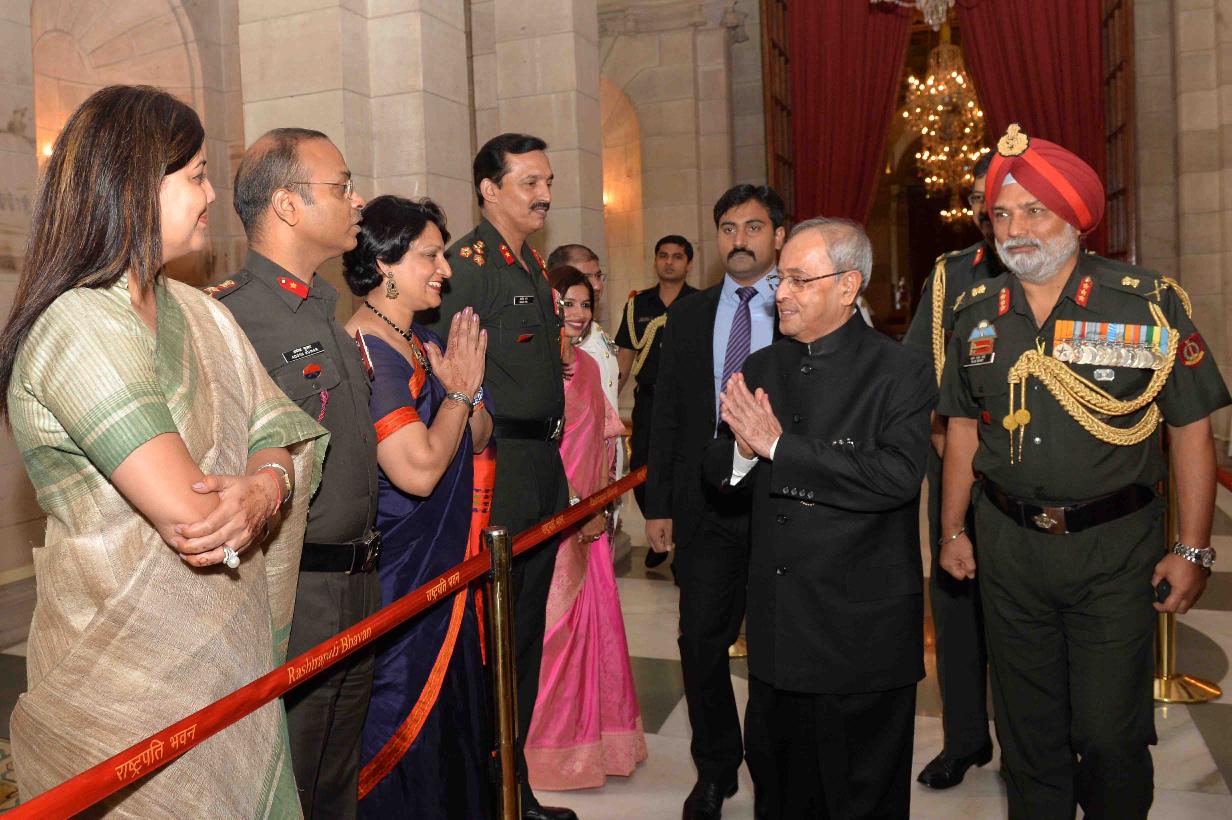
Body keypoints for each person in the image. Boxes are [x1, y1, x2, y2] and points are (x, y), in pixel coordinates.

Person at [0, 85, 326, 816]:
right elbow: (195, 518)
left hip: (225, 659)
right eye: (197, 176)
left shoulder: (201, 312)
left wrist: (266, 484)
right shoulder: (79, 325)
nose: (211, 196)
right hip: (123, 675)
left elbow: (279, 428)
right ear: (135, 183)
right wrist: (259, 483)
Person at [938, 124, 1231, 818]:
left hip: (1114, 550)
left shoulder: (1145, 303)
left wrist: (1192, 548)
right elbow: (961, 430)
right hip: (1008, 549)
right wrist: (951, 530)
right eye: (1001, 214)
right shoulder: (975, 316)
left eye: (1034, 210)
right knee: (1027, 736)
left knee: (1108, 734)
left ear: (1075, 216)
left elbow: (1190, 427)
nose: (1015, 229)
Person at [706, 216, 935, 818]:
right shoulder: (762, 366)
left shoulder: (901, 370)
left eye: (799, 280)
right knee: (781, 792)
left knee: (859, 798)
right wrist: (743, 451)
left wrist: (780, 448)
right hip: (780, 629)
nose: (780, 293)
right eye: (781, 279)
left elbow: (895, 476)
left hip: (859, 634)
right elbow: (718, 471)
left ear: (848, 285)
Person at [215, 127, 379, 820]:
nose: (357, 200)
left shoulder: (323, 311)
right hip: (292, 593)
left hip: (359, 581)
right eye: (341, 187)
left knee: (336, 776)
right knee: (289, 782)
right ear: (287, 204)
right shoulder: (230, 319)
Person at [417, 132, 575, 820]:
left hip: (540, 465)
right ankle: (491, 786)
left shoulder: (530, 262)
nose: (544, 195)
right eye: (529, 182)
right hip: (499, 468)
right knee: (494, 637)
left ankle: (512, 778)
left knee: (524, 634)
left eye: (548, 182)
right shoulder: (468, 266)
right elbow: (439, 360)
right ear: (489, 189)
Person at [340, 195, 493, 818]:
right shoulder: (366, 351)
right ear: (385, 263)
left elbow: (479, 435)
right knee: (404, 732)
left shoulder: (421, 339)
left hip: (446, 571)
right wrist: (459, 393)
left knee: (453, 730)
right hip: (399, 582)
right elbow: (420, 470)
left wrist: (464, 393)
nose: (445, 270)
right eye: (430, 255)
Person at [644, 186, 783, 819]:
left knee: (779, 645)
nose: (739, 240)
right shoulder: (691, 314)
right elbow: (668, 414)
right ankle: (716, 769)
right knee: (700, 640)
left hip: (782, 500)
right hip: (705, 505)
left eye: (753, 227)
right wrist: (659, 505)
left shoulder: (798, 306)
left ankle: (776, 771)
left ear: (777, 236)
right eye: (728, 228)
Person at [902, 150, 1003, 790]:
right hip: (957, 468)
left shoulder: (1057, 271)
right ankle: (965, 740)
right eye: (979, 200)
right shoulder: (950, 275)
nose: (988, 212)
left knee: (1024, 619)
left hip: (1034, 472)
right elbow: (920, 367)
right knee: (957, 610)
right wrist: (939, 437)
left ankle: (1033, 746)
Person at [524, 266, 647, 789]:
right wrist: (574, 508)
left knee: (595, 632)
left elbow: (601, 443)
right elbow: (536, 453)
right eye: (565, 304)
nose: (576, 315)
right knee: (554, 635)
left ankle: (594, 743)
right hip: (550, 521)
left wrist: (601, 507)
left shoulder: (593, 368)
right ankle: (544, 755)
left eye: (583, 304)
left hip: (591, 518)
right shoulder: (532, 368)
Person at [615, 235, 698, 568]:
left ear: (688, 263)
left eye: (677, 256)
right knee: (640, 469)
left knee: (685, 470)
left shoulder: (700, 303)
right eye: (663, 255)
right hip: (649, 401)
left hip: (688, 404)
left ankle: (679, 541)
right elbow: (624, 357)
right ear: (655, 261)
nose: (669, 262)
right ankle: (657, 528)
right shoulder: (639, 305)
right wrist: (608, 398)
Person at [548, 244, 622, 473]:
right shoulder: (544, 356)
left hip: (601, 463)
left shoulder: (594, 332)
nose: (596, 285)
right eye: (587, 276)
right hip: (566, 469)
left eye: (598, 276)